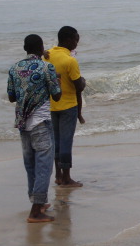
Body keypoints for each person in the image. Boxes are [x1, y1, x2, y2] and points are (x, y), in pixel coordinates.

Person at [8, 34, 62, 223]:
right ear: (41, 48)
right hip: (41, 123)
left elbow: (12, 97)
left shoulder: (14, 68)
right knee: (44, 168)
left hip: (23, 124)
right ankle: (35, 212)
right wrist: (58, 81)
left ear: (25, 48)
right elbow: (56, 95)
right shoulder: (47, 67)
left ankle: (38, 203)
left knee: (30, 165)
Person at [46, 26, 85, 187]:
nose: (77, 43)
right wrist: (83, 80)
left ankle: (58, 175)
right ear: (68, 40)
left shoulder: (46, 55)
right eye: (76, 39)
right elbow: (79, 86)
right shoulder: (70, 60)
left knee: (55, 141)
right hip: (68, 105)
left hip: (51, 105)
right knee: (66, 141)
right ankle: (67, 178)